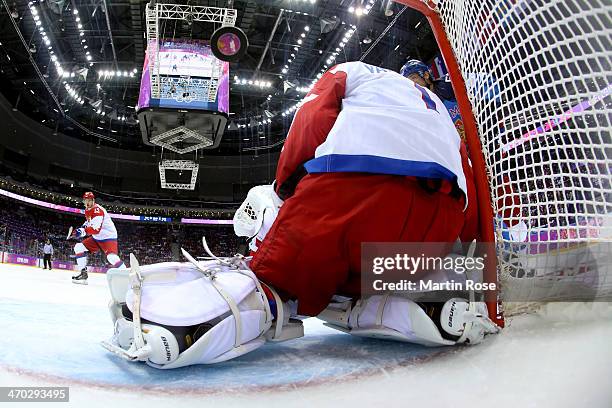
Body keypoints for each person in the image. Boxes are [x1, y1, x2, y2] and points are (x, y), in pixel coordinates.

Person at [101, 62, 498, 369]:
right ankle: (405, 304)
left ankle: (174, 330)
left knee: (278, 282)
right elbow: (471, 187)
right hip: (435, 229)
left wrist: (285, 189)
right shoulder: (446, 116)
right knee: (358, 288)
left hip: (350, 193)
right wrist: (457, 253)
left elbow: (311, 121)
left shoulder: (358, 73)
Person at [70, 192, 125, 285]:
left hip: (108, 237)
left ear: (93, 201)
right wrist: (80, 229)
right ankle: (83, 274)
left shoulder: (97, 211)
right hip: (97, 238)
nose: (87, 203)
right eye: (85, 200)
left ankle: (126, 275)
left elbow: (95, 230)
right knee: (78, 247)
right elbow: (89, 222)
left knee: (111, 258)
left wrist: (81, 232)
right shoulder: (88, 210)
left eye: (89, 200)